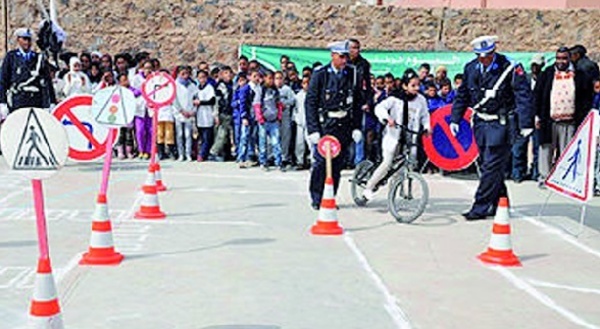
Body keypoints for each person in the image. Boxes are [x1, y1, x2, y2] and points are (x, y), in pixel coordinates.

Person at [451, 35, 534, 220]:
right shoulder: (471, 68)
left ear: (494, 51)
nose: (483, 59)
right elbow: (463, 95)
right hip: (480, 123)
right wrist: (455, 118)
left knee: (491, 166)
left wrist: (526, 123)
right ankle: (500, 203)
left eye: (487, 55)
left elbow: (523, 96)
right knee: (487, 166)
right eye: (480, 55)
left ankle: (480, 207)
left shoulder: (510, 68)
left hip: (501, 124)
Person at [305, 40, 363, 210]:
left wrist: (356, 126)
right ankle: (317, 197)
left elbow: (357, 102)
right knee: (321, 164)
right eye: (341, 57)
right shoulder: (320, 74)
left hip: (343, 125)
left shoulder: (352, 74)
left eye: (346, 57)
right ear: (333, 56)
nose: (345, 60)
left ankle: (330, 196)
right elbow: (311, 102)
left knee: (337, 165)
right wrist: (313, 129)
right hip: (326, 125)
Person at [362, 69, 430, 201]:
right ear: (405, 86)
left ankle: (396, 192)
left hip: (409, 136)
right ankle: (369, 187)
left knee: (405, 164)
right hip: (392, 136)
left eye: (418, 85)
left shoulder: (421, 99)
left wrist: (427, 127)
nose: (417, 88)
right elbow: (379, 108)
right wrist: (387, 118)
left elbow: (425, 115)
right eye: (413, 85)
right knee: (387, 163)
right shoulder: (395, 98)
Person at [535, 47, 594, 188]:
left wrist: (583, 119)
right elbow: (537, 96)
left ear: (569, 59)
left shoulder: (580, 75)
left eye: (564, 58)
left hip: (570, 121)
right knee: (546, 150)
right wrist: (537, 116)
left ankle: (564, 179)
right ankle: (545, 178)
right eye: (558, 58)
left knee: (567, 151)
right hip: (549, 119)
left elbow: (586, 98)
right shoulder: (547, 74)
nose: (561, 61)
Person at [0, 27, 56, 119]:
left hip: (36, 101)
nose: (27, 42)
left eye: (29, 39)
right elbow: (3, 80)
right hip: (18, 100)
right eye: (24, 39)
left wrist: (51, 102)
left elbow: (47, 81)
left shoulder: (38, 58)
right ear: (18, 40)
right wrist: (2, 102)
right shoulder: (11, 57)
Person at [253, 71, 284, 171]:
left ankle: (278, 162)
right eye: (269, 78)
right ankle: (263, 162)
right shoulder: (261, 90)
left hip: (274, 121)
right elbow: (257, 105)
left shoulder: (275, 91)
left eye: (273, 78)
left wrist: (279, 116)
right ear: (265, 78)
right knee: (263, 143)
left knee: (276, 143)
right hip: (264, 121)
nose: (271, 81)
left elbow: (278, 104)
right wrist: (260, 118)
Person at [174, 66, 200, 162]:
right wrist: (181, 110)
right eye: (182, 74)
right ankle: (181, 154)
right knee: (179, 134)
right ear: (178, 74)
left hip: (189, 113)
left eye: (187, 74)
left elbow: (196, 98)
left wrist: (193, 111)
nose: (185, 76)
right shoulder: (175, 85)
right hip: (179, 113)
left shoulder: (192, 86)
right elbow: (174, 100)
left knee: (188, 135)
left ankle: (188, 153)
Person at [209, 66, 234, 161]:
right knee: (222, 133)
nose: (228, 75)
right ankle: (213, 152)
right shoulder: (220, 87)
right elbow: (217, 102)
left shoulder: (232, 85)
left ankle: (226, 153)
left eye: (229, 73)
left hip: (230, 112)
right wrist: (216, 115)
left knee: (227, 135)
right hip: (222, 112)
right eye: (225, 73)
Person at [192, 69, 216, 162]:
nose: (201, 79)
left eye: (203, 77)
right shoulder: (196, 88)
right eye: (200, 77)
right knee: (201, 137)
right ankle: (201, 153)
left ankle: (202, 154)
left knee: (207, 137)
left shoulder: (209, 88)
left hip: (207, 115)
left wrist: (200, 102)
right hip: (199, 116)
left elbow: (212, 101)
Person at [275, 70, 296, 168]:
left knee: (285, 137)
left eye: (280, 78)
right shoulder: (271, 89)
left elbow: (293, 100)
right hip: (274, 117)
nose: (278, 81)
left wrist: (284, 104)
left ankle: (284, 157)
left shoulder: (287, 89)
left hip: (285, 115)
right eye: (276, 78)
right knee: (274, 137)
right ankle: (274, 156)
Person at [293, 75, 310, 170]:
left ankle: (312, 160)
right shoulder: (298, 96)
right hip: (300, 122)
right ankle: (299, 161)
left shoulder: (314, 94)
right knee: (299, 143)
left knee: (311, 143)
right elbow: (295, 109)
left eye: (308, 83)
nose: (306, 85)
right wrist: (296, 119)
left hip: (310, 122)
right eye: (304, 83)